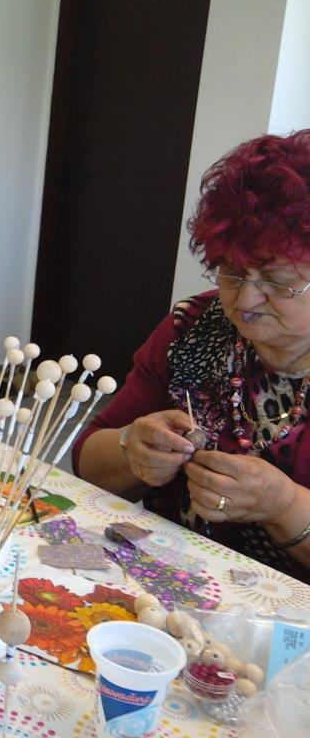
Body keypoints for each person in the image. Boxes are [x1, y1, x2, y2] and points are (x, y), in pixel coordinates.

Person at [75, 130, 310, 581]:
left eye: (278, 282)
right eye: (232, 272)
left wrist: (284, 506)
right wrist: (131, 449)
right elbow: (88, 461)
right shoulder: (195, 327)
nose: (246, 300)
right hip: (167, 584)